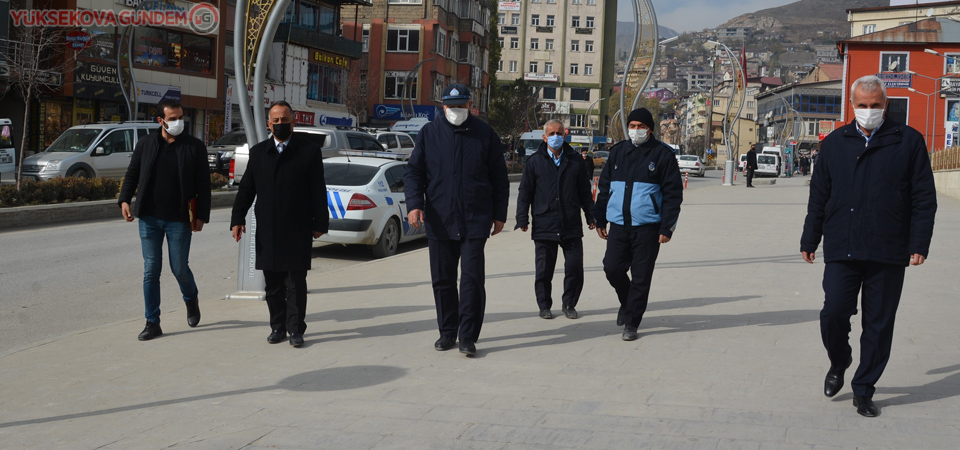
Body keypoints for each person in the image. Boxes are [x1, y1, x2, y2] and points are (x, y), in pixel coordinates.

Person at [801, 74, 937, 418]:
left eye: (875, 105)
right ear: (852, 105)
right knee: (832, 313)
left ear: (886, 105)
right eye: (862, 105)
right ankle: (839, 360)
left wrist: (919, 242)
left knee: (878, 323)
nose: (868, 111)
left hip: (888, 248)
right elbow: (819, 195)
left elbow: (924, 197)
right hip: (842, 246)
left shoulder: (907, 141)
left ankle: (863, 389)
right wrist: (809, 237)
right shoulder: (833, 143)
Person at [405, 83, 510, 357]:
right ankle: (447, 332)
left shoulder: (485, 135)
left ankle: (467, 336)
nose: (456, 111)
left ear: (470, 105)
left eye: (461, 106)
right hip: (440, 220)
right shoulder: (429, 133)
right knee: (442, 280)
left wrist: (499, 215)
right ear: (443, 107)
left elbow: (499, 178)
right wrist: (415, 205)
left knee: (472, 280)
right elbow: (414, 173)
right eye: (451, 107)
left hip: (475, 219)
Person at [231, 101, 328, 348]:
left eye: (285, 120)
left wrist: (320, 222)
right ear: (268, 124)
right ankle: (278, 327)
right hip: (268, 230)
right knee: (273, 283)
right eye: (276, 121)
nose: (280, 124)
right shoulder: (258, 152)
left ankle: (296, 329)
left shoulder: (308, 151)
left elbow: (318, 189)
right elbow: (246, 189)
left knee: (295, 283)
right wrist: (237, 219)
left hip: (298, 228)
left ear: (293, 122)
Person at [119, 100, 211, 341]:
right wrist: (124, 200)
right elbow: (132, 174)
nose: (179, 122)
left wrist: (202, 215)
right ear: (160, 120)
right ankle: (152, 322)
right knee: (151, 270)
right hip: (149, 217)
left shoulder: (194, 146)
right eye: (172, 118)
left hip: (180, 218)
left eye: (181, 117)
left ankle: (191, 300)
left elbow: (204, 184)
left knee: (179, 267)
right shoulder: (147, 144)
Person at [594, 108, 683, 341]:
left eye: (640, 126)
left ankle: (632, 323)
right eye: (632, 126)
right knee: (612, 268)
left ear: (649, 129)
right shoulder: (617, 152)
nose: (635, 131)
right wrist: (600, 218)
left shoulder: (662, 155)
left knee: (641, 277)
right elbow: (604, 189)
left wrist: (667, 228)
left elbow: (673, 194)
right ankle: (627, 301)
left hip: (648, 228)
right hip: (619, 225)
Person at [516, 120, 596, 320]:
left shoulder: (576, 161)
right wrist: (522, 217)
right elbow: (525, 192)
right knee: (544, 270)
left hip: (571, 223)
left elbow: (585, 192)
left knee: (575, 267)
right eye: (552, 133)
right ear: (544, 137)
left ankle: (569, 303)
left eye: (559, 132)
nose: (556, 136)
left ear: (565, 135)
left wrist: (591, 215)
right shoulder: (534, 162)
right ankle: (544, 305)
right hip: (545, 223)